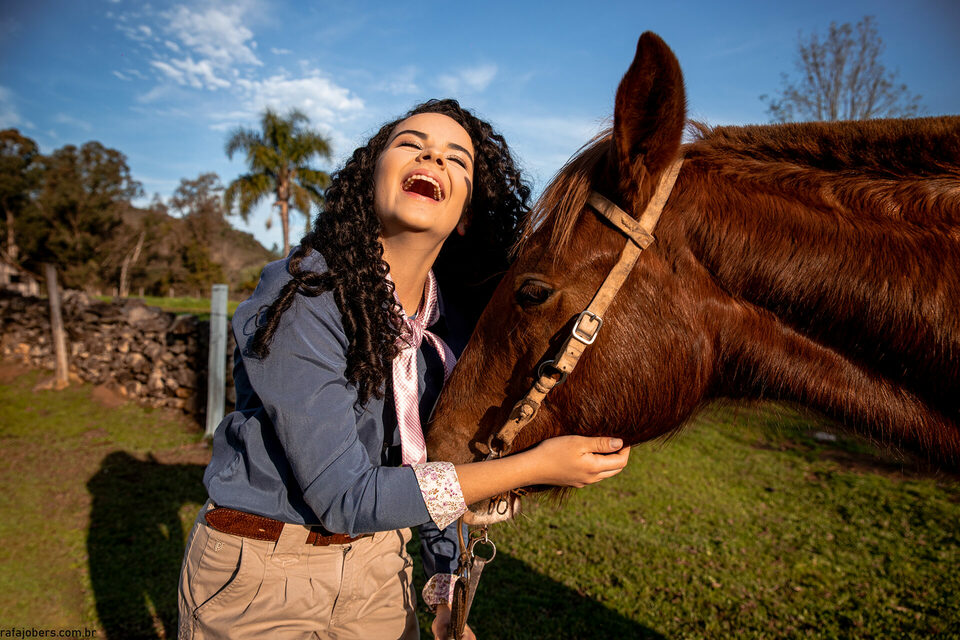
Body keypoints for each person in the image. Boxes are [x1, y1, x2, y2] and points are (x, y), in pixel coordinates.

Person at [177, 99, 631, 640]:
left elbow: (432, 460)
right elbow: (345, 498)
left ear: (466, 215)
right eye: (411, 143)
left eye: (455, 159)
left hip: (379, 570)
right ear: (370, 180)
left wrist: (444, 584)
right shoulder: (308, 296)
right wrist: (534, 467)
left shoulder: (451, 325)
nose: (433, 157)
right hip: (262, 575)